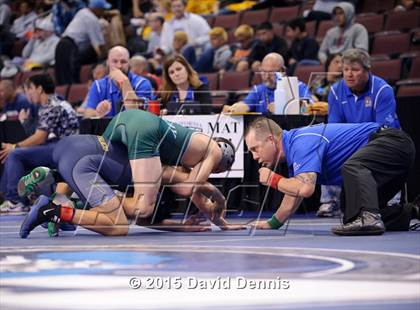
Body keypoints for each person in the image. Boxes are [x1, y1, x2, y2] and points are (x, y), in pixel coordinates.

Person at [19, 109, 239, 237]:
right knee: (142, 207)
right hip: (145, 129)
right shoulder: (214, 151)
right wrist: (219, 209)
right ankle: (53, 210)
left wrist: (213, 215)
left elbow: (188, 188)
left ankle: (59, 186)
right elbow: (191, 187)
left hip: (125, 120)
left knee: (108, 167)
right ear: (224, 161)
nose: (213, 172)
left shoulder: (188, 148)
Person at [245, 117, 417, 235]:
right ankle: (413, 212)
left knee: (351, 166)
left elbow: (305, 188)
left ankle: (370, 217)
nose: (254, 157)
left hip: (392, 143)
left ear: (270, 139)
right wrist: (272, 223)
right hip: (393, 153)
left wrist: (273, 179)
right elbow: (293, 194)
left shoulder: (301, 141)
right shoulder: (294, 150)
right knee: (353, 218)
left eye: (255, 148)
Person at [0, 74, 79, 213]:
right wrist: (24, 122)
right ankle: (22, 199)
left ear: (39, 89)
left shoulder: (53, 106)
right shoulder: (50, 105)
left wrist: (14, 146)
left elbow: (40, 138)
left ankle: (14, 201)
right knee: (20, 156)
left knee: (15, 155)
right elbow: (38, 136)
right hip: (58, 147)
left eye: (29, 88)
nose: (28, 93)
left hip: (64, 149)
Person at [223, 53, 313, 114]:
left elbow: (310, 107)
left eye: (271, 72)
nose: (267, 76)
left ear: (282, 71)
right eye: (264, 72)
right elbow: (246, 105)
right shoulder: (258, 90)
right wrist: (234, 108)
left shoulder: (297, 86)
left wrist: (283, 107)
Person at [84, 45, 153, 118]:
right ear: (107, 62)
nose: (119, 66)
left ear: (129, 63)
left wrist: (124, 82)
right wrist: (98, 112)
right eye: (115, 61)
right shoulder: (98, 85)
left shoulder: (142, 83)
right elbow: (87, 114)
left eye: (123, 62)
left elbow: (136, 112)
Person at [54, 0, 110, 85]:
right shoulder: (92, 19)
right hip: (69, 47)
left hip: (61, 45)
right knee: (70, 80)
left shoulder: (83, 12)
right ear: (97, 9)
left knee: (62, 79)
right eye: (102, 9)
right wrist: (107, 60)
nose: (103, 12)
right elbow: (99, 47)